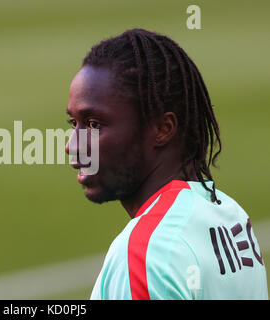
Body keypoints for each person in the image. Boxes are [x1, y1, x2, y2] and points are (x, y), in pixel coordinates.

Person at [65, 28, 268, 299]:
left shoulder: (144, 252)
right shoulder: (231, 217)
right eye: (73, 123)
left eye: (94, 124)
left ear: (162, 128)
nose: (72, 145)